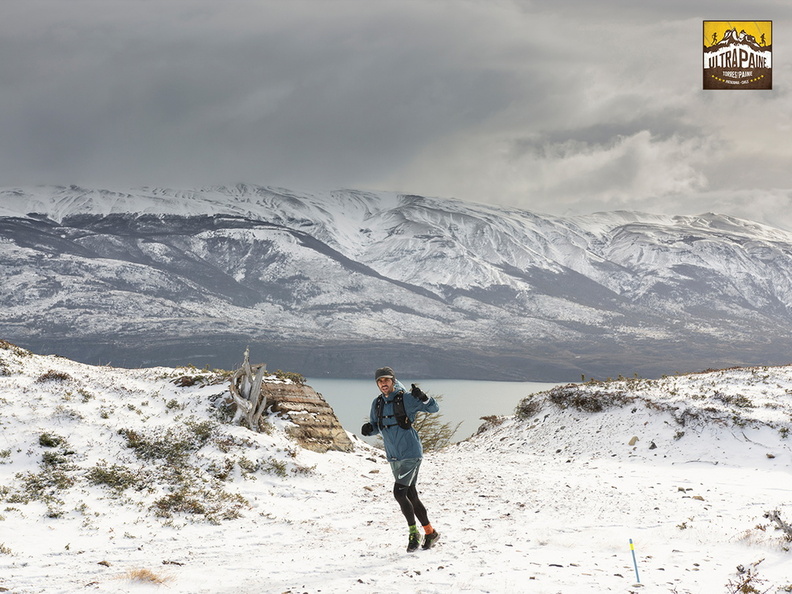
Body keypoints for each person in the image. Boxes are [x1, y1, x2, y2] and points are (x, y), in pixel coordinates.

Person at [361, 366, 441, 552]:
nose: (383, 384)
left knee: (399, 493)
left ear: (393, 380)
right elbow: (376, 426)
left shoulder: (405, 398)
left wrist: (423, 398)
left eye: (386, 380)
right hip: (393, 455)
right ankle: (430, 532)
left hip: (411, 453)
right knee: (410, 494)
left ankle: (414, 534)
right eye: (380, 381)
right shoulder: (377, 403)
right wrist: (368, 429)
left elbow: (434, 408)